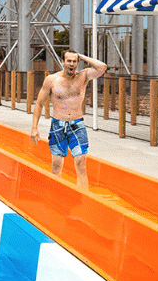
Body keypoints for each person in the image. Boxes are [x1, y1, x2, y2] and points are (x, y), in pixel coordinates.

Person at [30, 49, 107, 189]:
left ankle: (83, 199)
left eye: (74, 61)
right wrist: (34, 128)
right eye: (69, 61)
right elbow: (39, 104)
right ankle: (55, 195)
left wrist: (82, 56)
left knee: (81, 164)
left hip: (77, 125)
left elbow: (102, 67)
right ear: (63, 62)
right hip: (58, 126)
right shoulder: (52, 80)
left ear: (78, 63)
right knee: (56, 165)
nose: (71, 64)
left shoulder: (83, 76)